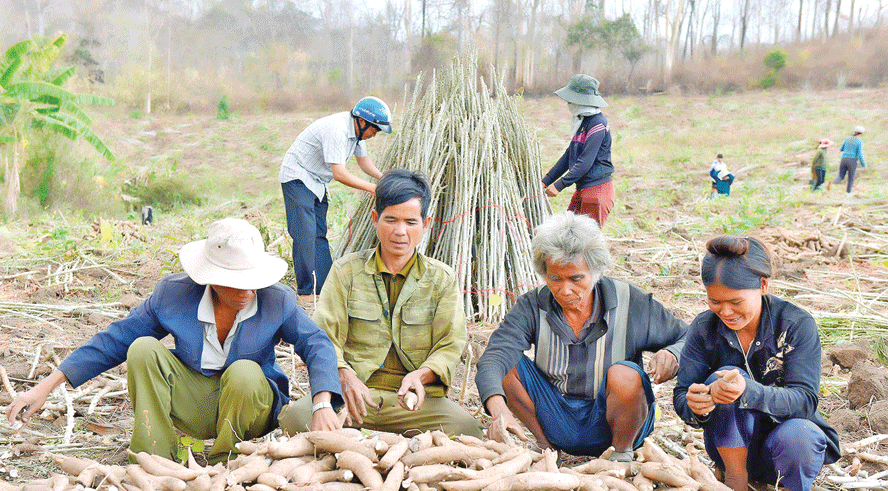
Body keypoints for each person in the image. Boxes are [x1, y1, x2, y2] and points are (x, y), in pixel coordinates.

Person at [7, 219, 343, 464]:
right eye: (235, 282)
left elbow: (317, 344)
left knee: (244, 372)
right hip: (194, 402)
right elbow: (116, 339)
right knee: (142, 348)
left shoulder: (277, 301)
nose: (248, 291)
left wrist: (322, 403)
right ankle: (154, 457)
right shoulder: (173, 296)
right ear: (210, 278)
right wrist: (47, 385)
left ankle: (227, 459)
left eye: (252, 281)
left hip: (249, 406)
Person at [279, 168, 482, 438]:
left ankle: (359, 440)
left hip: (411, 404)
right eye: (391, 220)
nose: (400, 231)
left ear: (425, 224)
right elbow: (324, 336)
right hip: (353, 397)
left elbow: (450, 343)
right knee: (295, 419)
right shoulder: (345, 271)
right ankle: (371, 439)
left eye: (410, 222)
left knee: (468, 429)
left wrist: (421, 376)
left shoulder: (441, 279)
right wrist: (344, 376)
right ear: (375, 219)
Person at [475, 212, 687, 461]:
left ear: (596, 272)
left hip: (614, 420)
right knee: (507, 364)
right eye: (554, 278)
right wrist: (499, 409)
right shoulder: (533, 305)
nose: (565, 290)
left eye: (576, 278)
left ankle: (621, 454)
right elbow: (495, 356)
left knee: (625, 374)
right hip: (555, 416)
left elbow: (688, 338)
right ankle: (546, 447)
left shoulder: (630, 302)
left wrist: (673, 353)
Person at [673, 235, 841, 491]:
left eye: (736, 301)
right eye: (715, 301)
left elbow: (805, 400)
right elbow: (681, 395)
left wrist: (749, 391)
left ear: (763, 286)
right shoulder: (703, 327)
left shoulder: (795, 324)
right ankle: (735, 482)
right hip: (729, 447)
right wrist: (696, 404)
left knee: (800, 433)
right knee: (720, 377)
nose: (725, 312)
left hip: (787, 448)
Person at [278, 97, 392, 300]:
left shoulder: (357, 134)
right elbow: (339, 174)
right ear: (362, 121)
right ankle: (307, 291)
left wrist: (384, 179)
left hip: (318, 182)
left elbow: (364, 163)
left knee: (319, 233)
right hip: (298, 176)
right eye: (375, 129)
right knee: (304, 233)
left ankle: (324, 286)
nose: (375, 135)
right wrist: (372, 188)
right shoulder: (337, 130)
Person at [542, 74, 615, 227]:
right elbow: (568, 156)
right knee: (568, 233)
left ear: (581, 100)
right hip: (584, 188)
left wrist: (559, 185)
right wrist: (546, 181)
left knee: (585, 242)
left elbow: (584, 162)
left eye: (571, 99)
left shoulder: (597, 124)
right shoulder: (582, 122)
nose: (568, 103)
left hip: (596, 190)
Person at [829, 125, 867, 193]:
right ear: (861, 134)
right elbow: (860, 154)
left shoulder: (848, 138)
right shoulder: (860, 142)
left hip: (844, 159)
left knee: (840, 177)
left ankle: (832, 182)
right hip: (852, 161)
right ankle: (848, 193)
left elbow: (841, 149)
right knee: (851, 179)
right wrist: (864, 164)